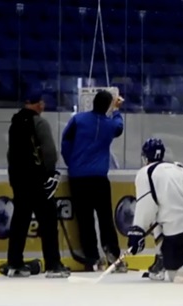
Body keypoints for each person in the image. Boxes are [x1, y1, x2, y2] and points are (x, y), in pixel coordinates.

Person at [6, 93, 70, 278]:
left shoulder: (15, 124)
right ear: (38, 104)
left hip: (19, 180)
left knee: (19, 222)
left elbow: (11, 155)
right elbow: (49, 151)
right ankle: (53, 264)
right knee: (48, 222)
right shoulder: (39, 123)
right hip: (38, 179)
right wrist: (50, 173)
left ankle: (14, 263)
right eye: (41, 102)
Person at [127, 138, 183, 282]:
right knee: (157, 220)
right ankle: (162, 258)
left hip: (175, 225)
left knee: (173, 273)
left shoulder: (145, 172)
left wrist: (137, 230)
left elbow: (145, 204)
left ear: (145, 157)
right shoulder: (178, 167)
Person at [61, 90, 126, 272]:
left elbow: (65, 141)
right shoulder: (109, 125)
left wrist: (71, 161)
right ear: (107, 106)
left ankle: (92, 257)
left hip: (78, 177)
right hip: (99, 178)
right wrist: (117, 110)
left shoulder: (78, 120)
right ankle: (112, 254)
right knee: (105, 218)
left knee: (85, 219)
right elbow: (119, 126)